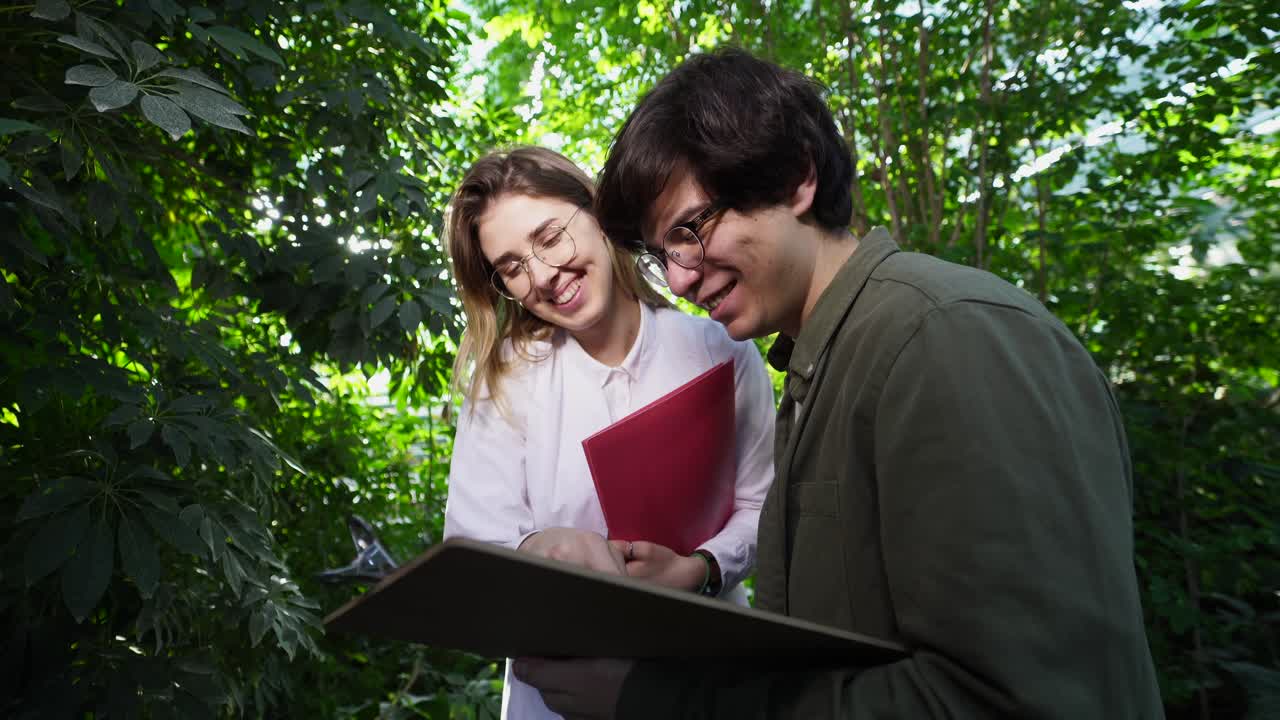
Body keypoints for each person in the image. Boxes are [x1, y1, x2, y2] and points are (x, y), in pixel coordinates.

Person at [513, 49, 1166, 718]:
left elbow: (1009, 699)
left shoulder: (944, 339)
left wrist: (658, 699)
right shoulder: (823, 366)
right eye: (662, 254)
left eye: (691, 228)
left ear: (797, 177)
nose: (679, 278)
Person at [441, 146, 776, 720]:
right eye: (513, 268)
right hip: (561, 696)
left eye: (550, 238)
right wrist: (539, 550)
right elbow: (474, 559)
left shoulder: (721, 351)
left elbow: (761, 506)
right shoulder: (504, 386)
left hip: (705, 680)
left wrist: (700, 569)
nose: (543, 276)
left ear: (596, 214)